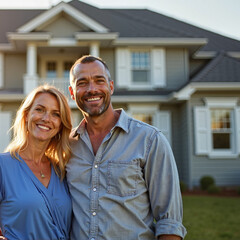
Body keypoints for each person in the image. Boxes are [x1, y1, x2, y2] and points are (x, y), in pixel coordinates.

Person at [66, 55, 187, 239]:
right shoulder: (67, 146)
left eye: (99, 81)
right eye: (82, 83)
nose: (92, 89)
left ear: (111, 87)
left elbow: (169, 222)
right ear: (72, 93)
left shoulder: (149, 140)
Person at [0, 85, 73, 240]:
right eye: (39, 109)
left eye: (56, 114)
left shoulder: (62, 170)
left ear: (60, 125)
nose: (46, 118)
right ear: (26, 115)